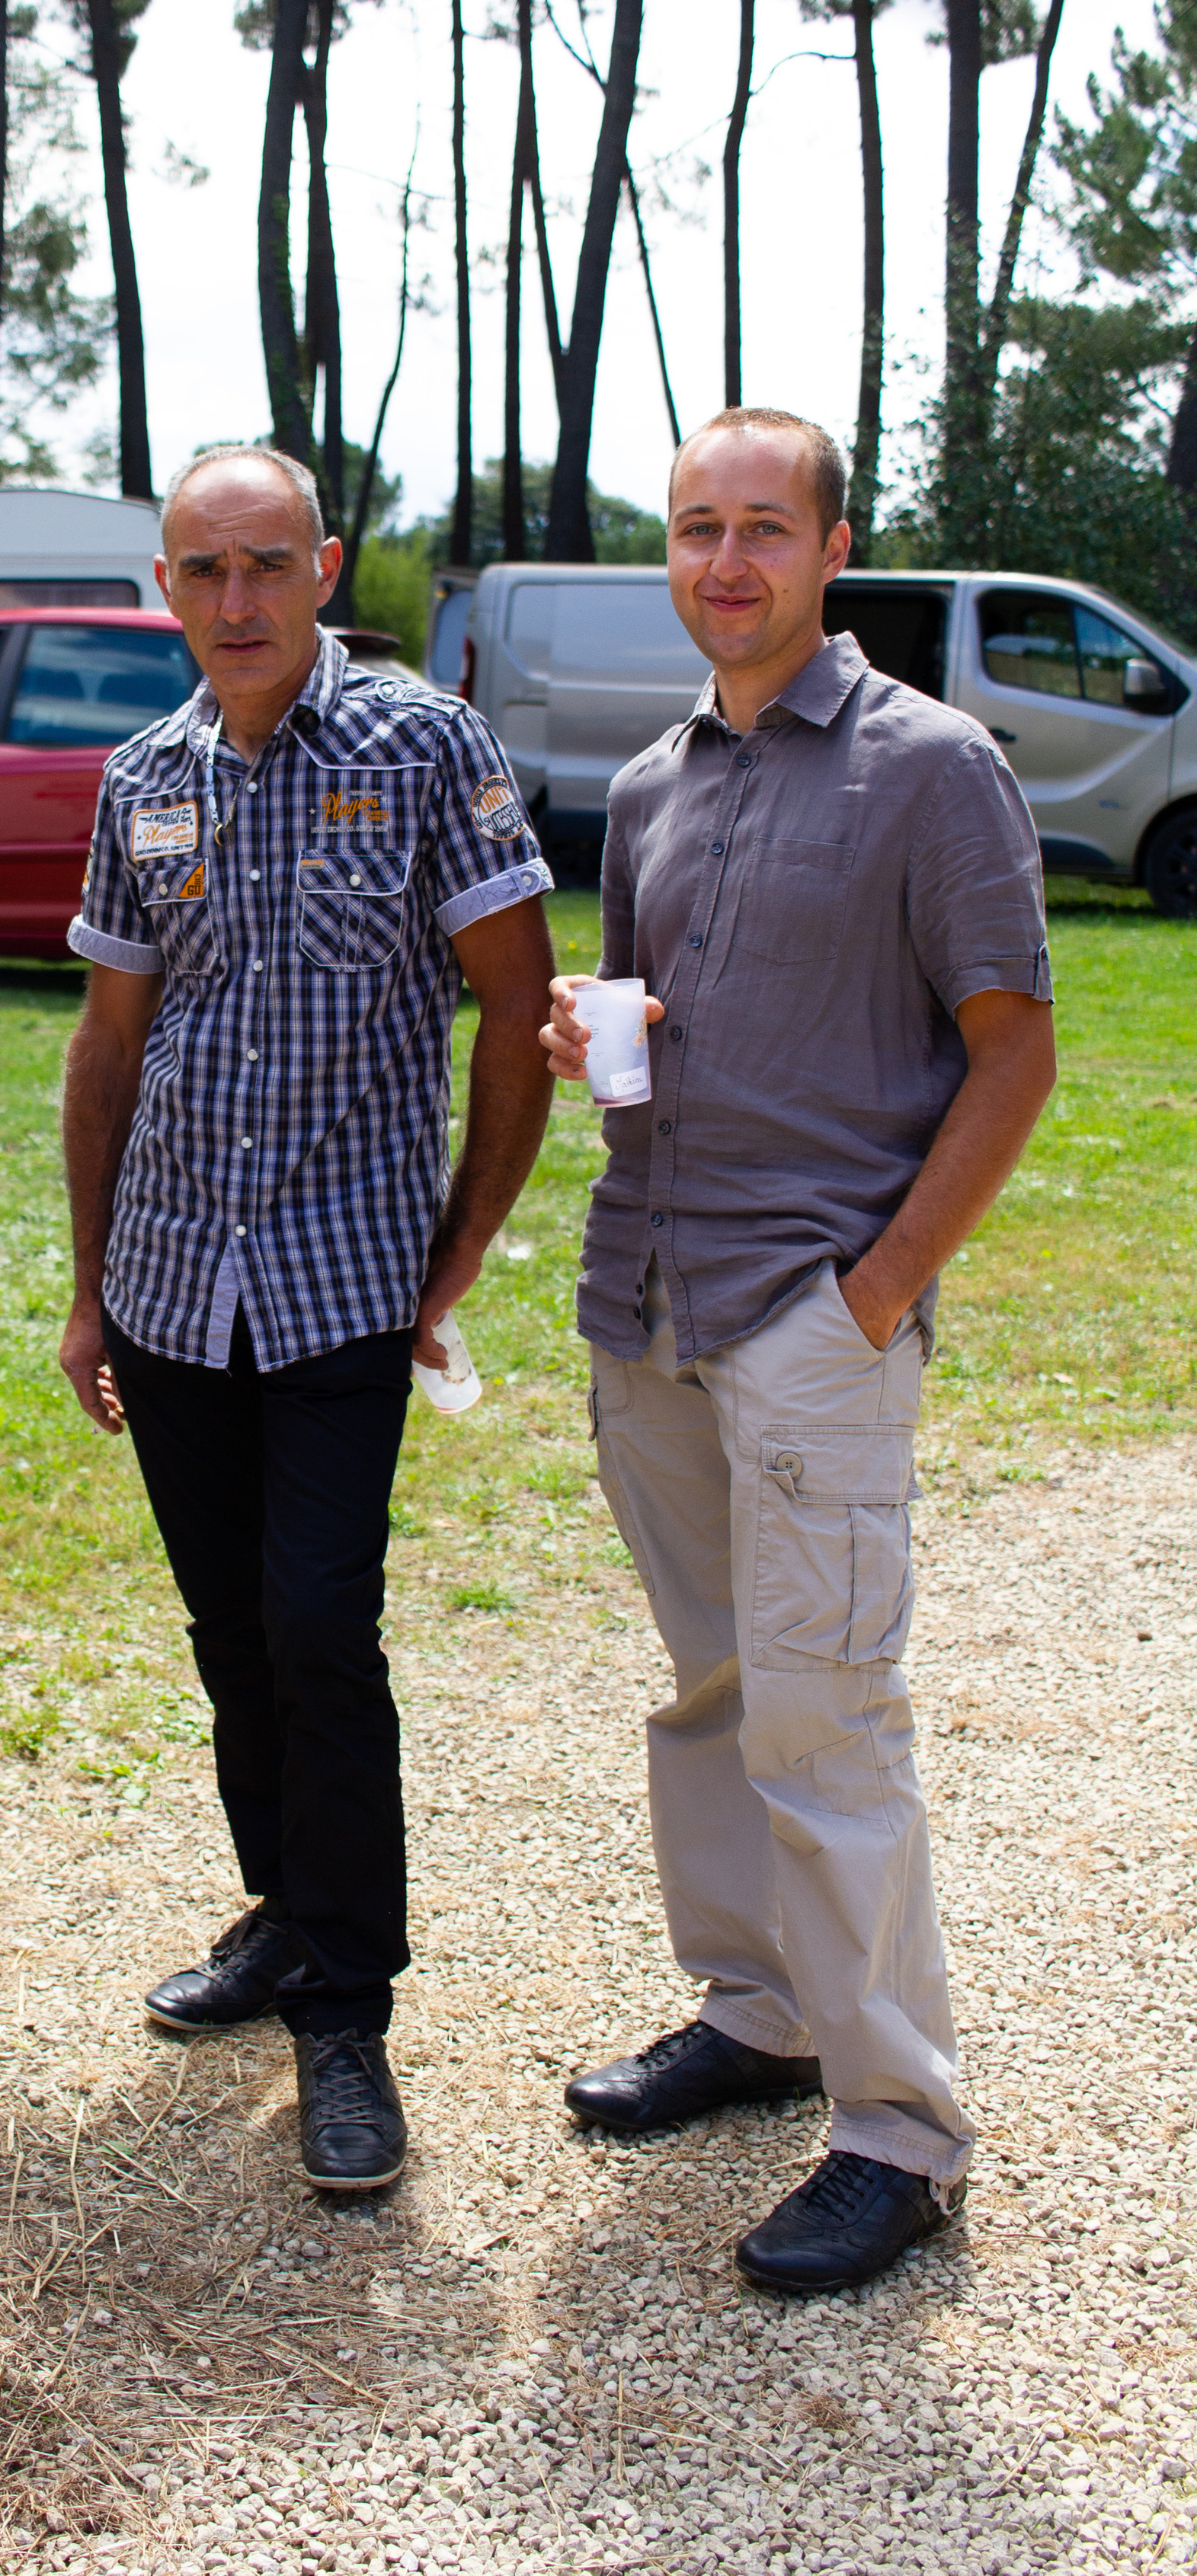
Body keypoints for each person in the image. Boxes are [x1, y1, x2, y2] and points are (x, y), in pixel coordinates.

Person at [542, 407, 1055, 2293]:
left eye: (762, 529)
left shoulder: (934, 770)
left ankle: (898, 2130)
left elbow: (1011, 1048)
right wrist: (597, 1038)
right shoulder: (653, 782)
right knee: (710, 1690)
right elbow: (655, 1029)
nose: (724, 563)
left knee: (829, 1723)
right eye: (692, 529)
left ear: (834, 547)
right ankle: (755, 2017)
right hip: (650, 1299)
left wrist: (876, 1290)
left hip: (805, 1312)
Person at [58, 445, 556, 2191]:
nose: (235, 603)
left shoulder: (425, 747)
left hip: (344, 1281)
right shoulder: (144, 779)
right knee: (226, 1634)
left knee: (317, 1626)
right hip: (173, 1285)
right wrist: (84, 1290)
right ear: (163, 583)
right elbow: (108, 1045)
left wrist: (460, 1246)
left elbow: (514, 1011)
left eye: (265, 565)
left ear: (324, 567)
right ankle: (279, 1909)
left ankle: (344, 2012)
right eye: (200, 571)